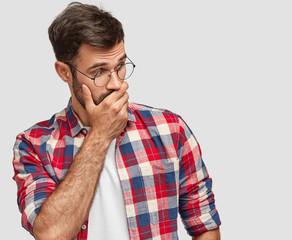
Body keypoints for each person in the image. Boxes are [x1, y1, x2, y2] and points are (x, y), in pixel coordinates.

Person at [12, 2, 221, 240]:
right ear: (64, 72)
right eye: (99, 71)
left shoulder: (170, 129)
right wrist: (100, 135)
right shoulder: (33, 144)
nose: (117, 83)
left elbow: (204, 225)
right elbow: (51, 234)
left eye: (120, 66)